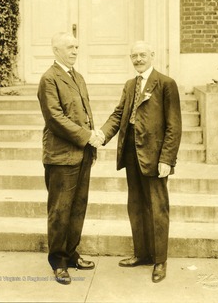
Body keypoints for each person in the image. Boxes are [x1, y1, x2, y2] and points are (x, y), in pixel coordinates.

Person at [97, 41, 182, 283]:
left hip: (155, 157)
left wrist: (167, 158)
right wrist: (102, 134)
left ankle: (160, 260)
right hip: (131, 154)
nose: (138, 59)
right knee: (135, 205)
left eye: (142, 54)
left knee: (157, 207)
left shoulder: (166, 83)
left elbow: (174, 126)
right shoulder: (129, 84)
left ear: (152, 55)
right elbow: (118, 114)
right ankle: (141, 254)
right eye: (134, 56)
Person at [37, 32, 104, 285]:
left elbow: (84, 112)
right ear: (56, 50)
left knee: (78, 207)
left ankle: (71, 253)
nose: (75, 51)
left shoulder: (77, 76)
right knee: (60, 210)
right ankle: (58, 262)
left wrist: (92, 145)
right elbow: (55, 119)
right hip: (61, 156)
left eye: (77, 46)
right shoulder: (49, 79)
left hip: (83, 153)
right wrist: (88, 136)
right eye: (69, 47)